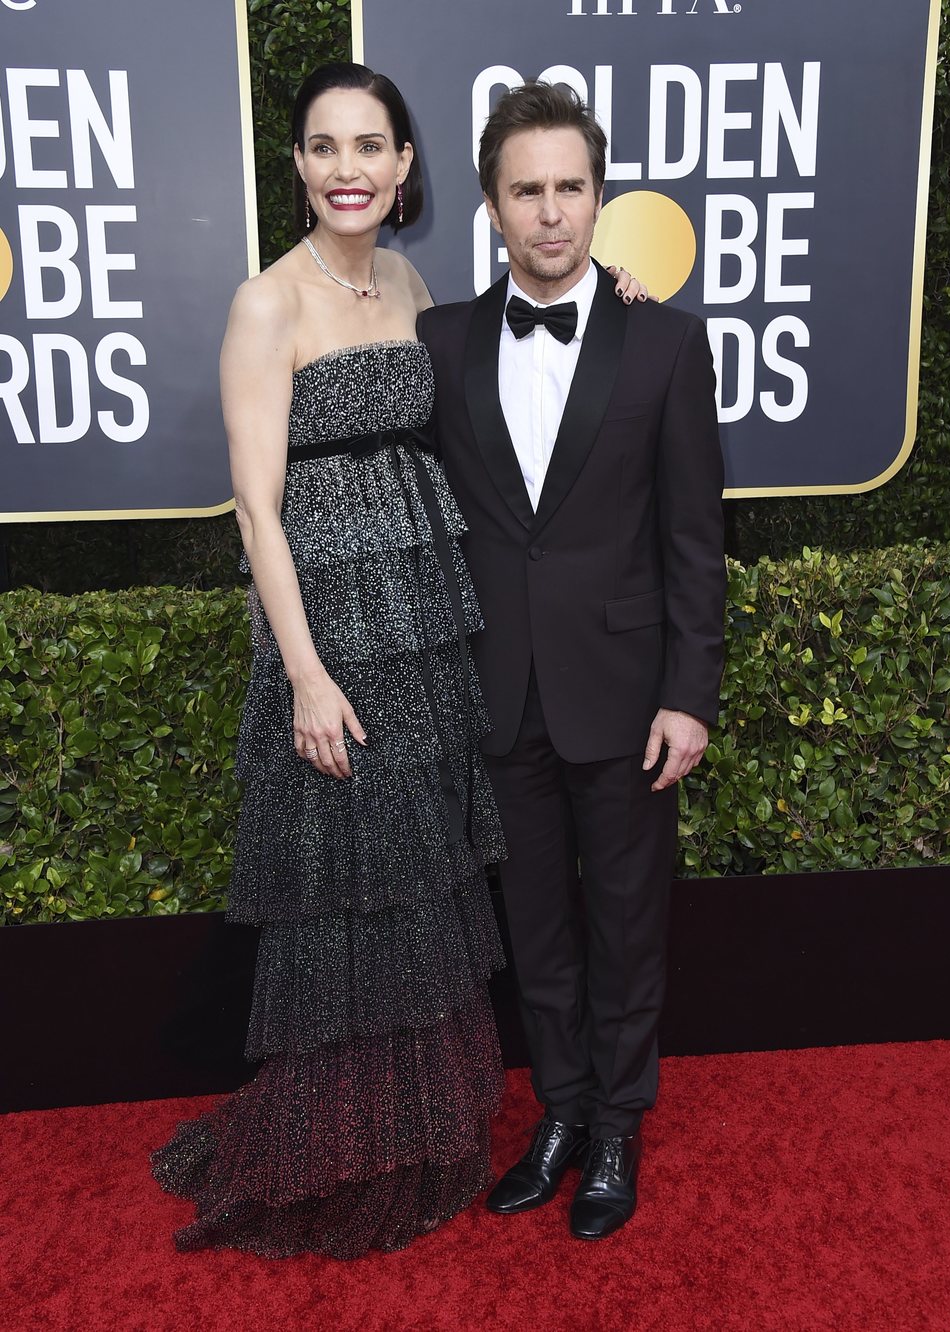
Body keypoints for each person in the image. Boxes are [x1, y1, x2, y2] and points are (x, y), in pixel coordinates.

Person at [150, 63, 645, 1260]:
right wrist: (307, 675)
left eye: (371, 145)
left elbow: (494, 364)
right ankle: (331, 1142)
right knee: (345, 891)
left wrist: (609, 297)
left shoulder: (416, 282)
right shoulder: (267, 304)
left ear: (408, 165)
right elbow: (259, 513)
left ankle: (416, 1129)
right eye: (324, 148)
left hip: (428, 623)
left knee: (419, 881)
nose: (349, 169)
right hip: (334, 635)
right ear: (301, 168)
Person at [418, 80, 727, 1241]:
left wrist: (689, 696)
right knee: (535, 927)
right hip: (500, 696)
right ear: (493, 207)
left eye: (570, 187)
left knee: (628, 923)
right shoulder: (442, 340)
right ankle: (557, 1111)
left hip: (628, 695)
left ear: (600, 196)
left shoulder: (667, 343)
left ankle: (618, 1128)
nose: (550, 213)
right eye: (525, 190)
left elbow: (697, 537)